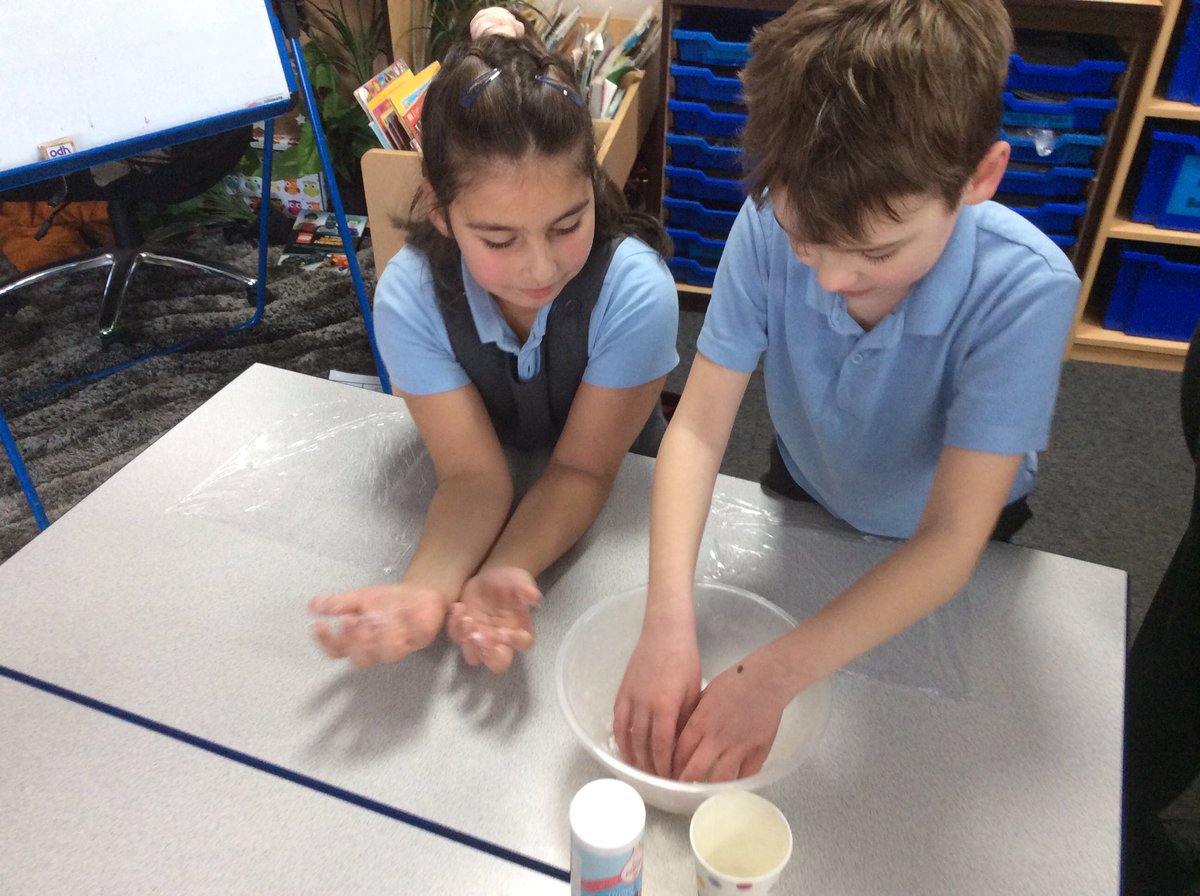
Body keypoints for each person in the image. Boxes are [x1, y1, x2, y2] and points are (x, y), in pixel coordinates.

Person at [613, 0, 1081, 783]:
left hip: (943, 531)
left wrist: (769, 677)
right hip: (809, 477)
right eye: (806, 238)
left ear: (981, 177)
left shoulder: (1026, 291)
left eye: (877, 250)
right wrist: (666, 618)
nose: (830, 277)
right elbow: (695, 429)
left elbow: (949, 542)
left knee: (915, 741)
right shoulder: (766, 222)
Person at [308, 9, 678, 673]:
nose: (539, 269)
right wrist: (426, 589)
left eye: (568, 225)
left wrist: (504, 571)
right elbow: (473, 476)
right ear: (441, 210)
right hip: (492, 490)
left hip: (622, 503)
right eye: (500, 241)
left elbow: (584, 469)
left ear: (593, 187)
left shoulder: (635, 292)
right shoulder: (410, 297)